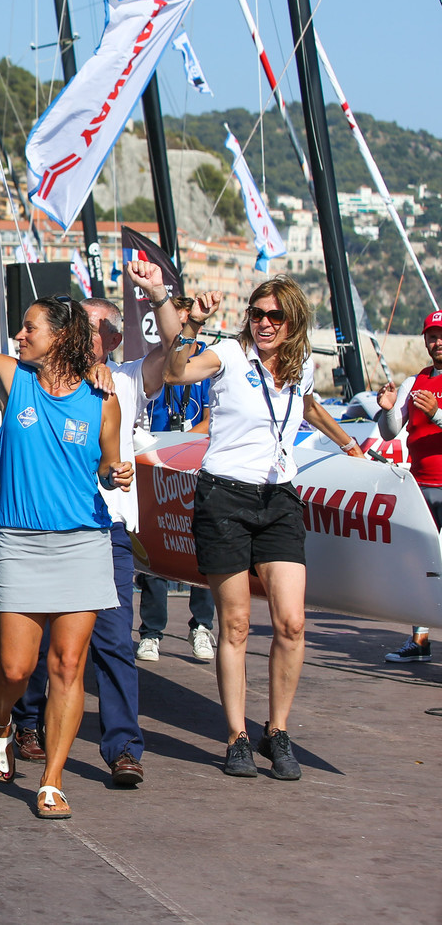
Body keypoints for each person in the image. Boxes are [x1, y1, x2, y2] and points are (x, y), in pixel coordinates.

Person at [0, 297, 131, 820]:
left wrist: (117, 474)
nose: (19, 336)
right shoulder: (11, 375)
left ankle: (52, 779)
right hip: (19, 542)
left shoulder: (102, 397)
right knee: (16, 669)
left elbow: (108, 465)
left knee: (67, 665)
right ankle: (2, 720)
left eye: (29, 328)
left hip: (84, 542)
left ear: (60, 336)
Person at [164, 277, 364, 780]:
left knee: (292, 623)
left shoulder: (300, 365)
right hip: (224, 497)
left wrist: (350, 445)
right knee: (233, 625)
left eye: (275, 315)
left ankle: (277, 731)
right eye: (257, 313)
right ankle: (235, 737)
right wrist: (193, 324)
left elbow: (312, 406)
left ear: (293, 320)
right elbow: (175, 373)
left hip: (279, 498)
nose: (265, 323)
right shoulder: (230, 354)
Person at [9, 265, 173, 788]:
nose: (93, 335)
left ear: (113, 337)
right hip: (36, 534)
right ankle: (25, 723)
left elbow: (172, 355)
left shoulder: (123, 380)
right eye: (86, 325)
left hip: (105, 532)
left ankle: (122, 748)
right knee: (35, 653)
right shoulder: (34, 380)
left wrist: (159, 296)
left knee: (107, 644)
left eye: (101, 328)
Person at [137, 294, 217, 664]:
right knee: (156, 544)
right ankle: (151, 632)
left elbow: (215, 416)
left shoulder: (209, 363)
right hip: (159, 463)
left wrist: (186, 441)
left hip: (196, 460)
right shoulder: (156, 364)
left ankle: (201, 626)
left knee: (201, 546)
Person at [374, 310, 442, 664]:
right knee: (420, 564)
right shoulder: (416, 382)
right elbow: (390, 431)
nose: (437, 342)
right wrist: (387, 410)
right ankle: (420, 639)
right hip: (422, 487)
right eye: (432, 335)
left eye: (441, 334)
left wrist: (436, 416)